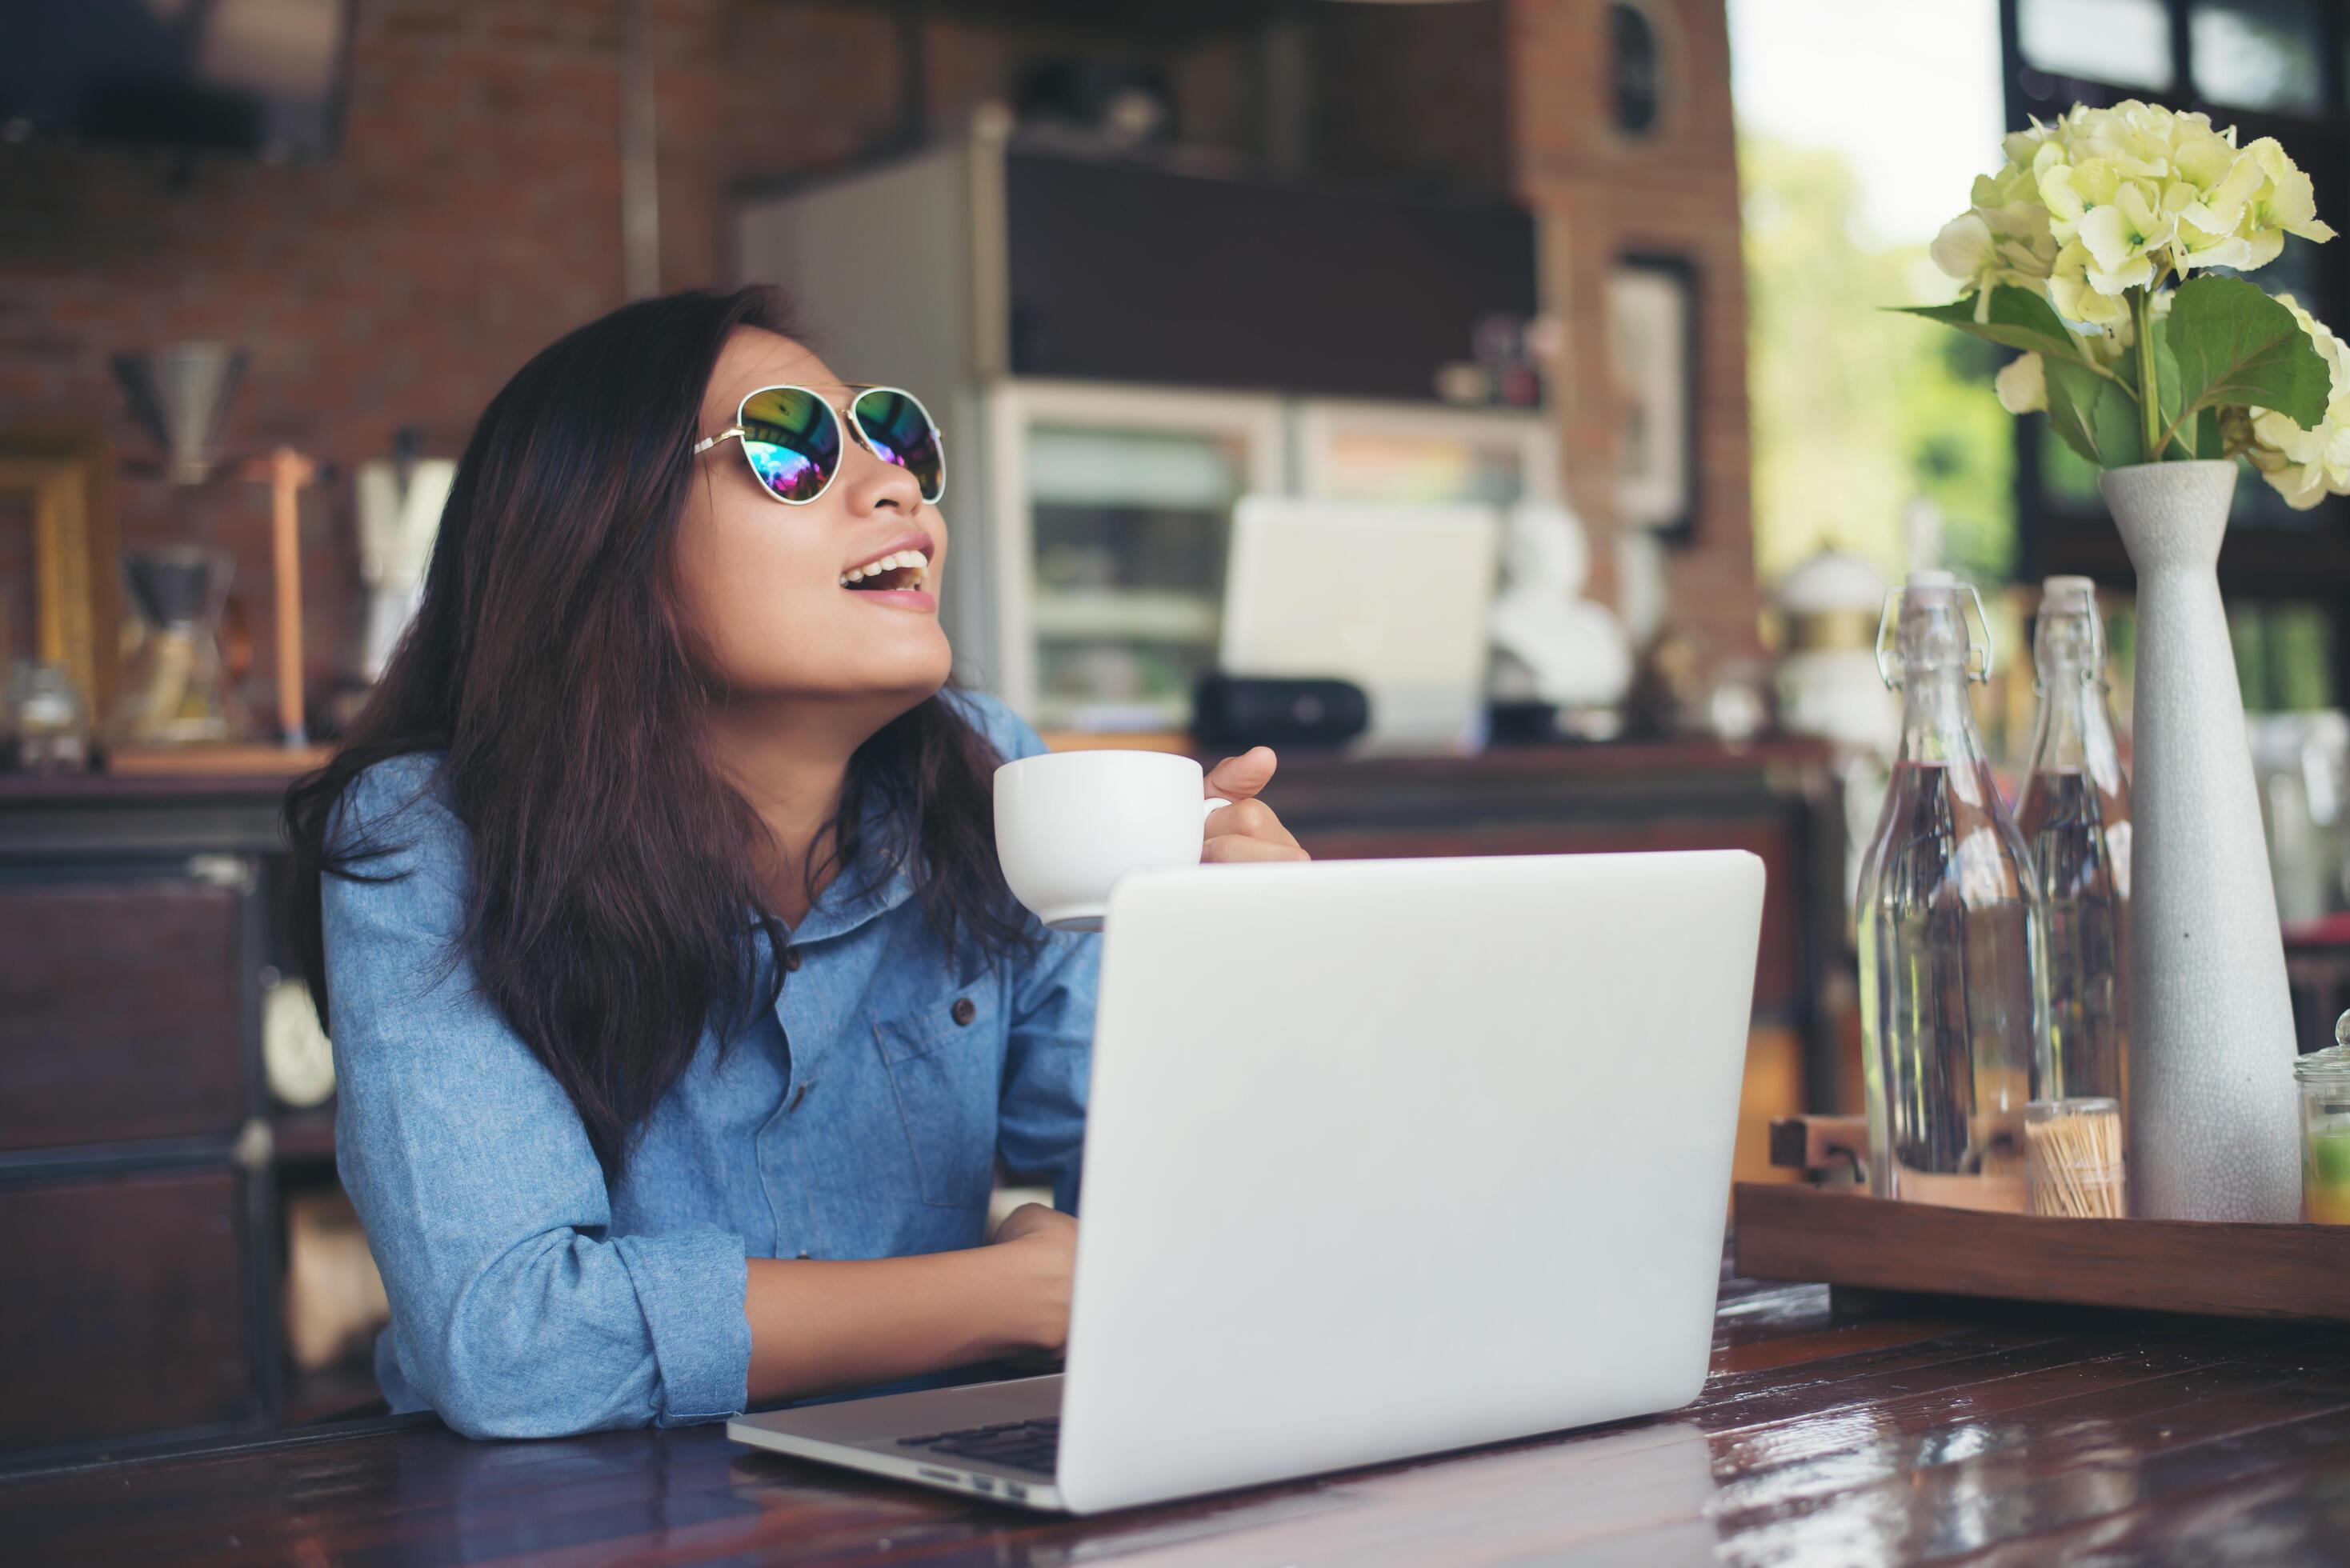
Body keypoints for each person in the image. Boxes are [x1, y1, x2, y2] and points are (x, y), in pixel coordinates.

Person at [284, 286, 1307, 1438]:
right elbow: (513, 1347)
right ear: (599, 538)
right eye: (790, 448)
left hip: (942, 1486)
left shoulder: (993, 782)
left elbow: (1154, 1218)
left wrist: (1248, 993)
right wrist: (1005, 1296)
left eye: (897, 439)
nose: (897, 486)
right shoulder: (433, 835)